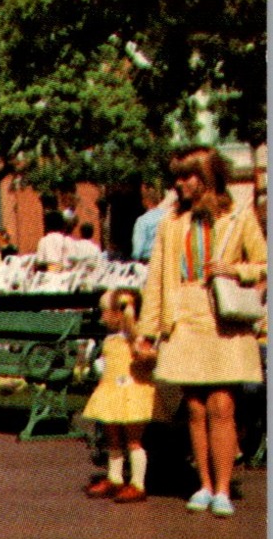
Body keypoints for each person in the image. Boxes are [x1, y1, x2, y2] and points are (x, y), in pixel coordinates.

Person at [141, 146, 267, 518]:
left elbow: (262, 263)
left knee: (222, 404)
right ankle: (204, 484)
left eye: (186, 176)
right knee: (195, 408)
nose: (179, 184)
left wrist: (234, 269)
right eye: (176, 177)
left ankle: (224, 487)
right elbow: (155, 280)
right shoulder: (170, 222)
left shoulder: (239, 216)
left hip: (223, 319)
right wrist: (148, 330)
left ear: (208, 177)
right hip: (185, 316)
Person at [82, 288, 158, 503]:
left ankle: (138, 483)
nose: (102, 316)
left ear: (120, 313)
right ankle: (114, 477)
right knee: (113, 436)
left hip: (132, 392)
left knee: (133, 439)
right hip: (111, 391)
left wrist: (131, 321)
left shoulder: (135, 337)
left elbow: (145, 356)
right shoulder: (111, 337)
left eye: (106, 311)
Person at [131, 181, 168, 262]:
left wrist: (134, 259)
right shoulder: (167, 216)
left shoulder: (142, 221)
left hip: (148, 261)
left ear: (145, 201)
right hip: (165, 259)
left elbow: (138, 248)